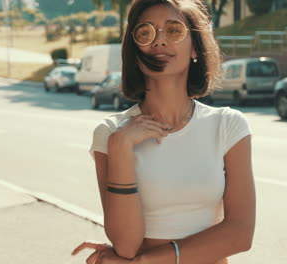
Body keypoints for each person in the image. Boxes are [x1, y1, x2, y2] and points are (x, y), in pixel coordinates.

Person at [72, 0, 256, 263]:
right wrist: (121, 146)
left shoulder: (228, 125)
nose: (159, 41)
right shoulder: (110, 133)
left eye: (173, 31)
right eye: (145, 33)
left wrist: (146, 262)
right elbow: (125, 244)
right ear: (135, 51)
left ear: (195, 46)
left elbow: (240, 235)